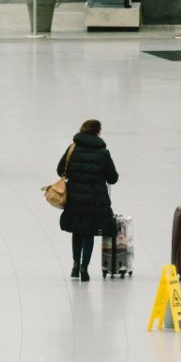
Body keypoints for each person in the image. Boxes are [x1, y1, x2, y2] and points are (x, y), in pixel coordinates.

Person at [56, 119, 118, 282]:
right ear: (98, 132)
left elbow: (60, 169)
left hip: (75, 198)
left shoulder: (72, 148)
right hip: (94, 200)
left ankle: (75, 264)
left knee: (77, 230)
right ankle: (85, 268)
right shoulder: (103, 152)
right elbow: (113, 177)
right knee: (89, 232)